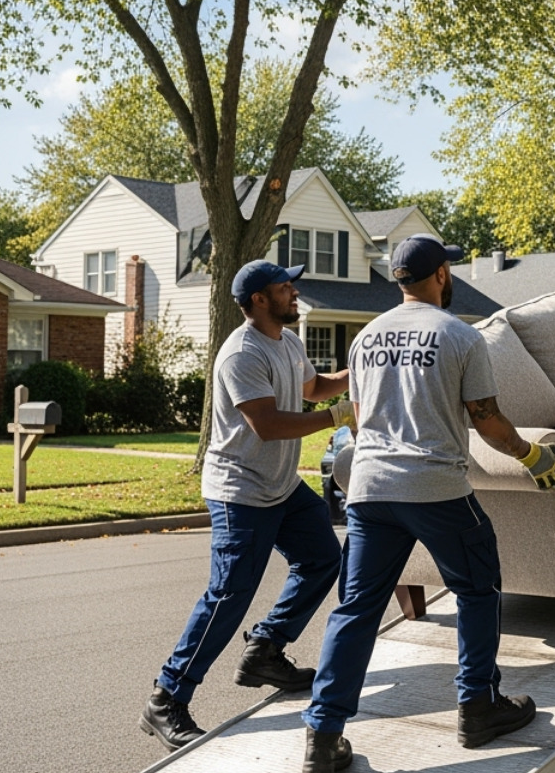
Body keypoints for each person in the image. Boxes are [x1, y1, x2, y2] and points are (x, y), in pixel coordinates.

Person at [299, 234, 555, 772]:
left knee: (355, 610)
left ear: (399, 281)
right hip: (435, 490)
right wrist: (531, 455)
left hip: (370, 491)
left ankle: (322, 738)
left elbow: (359, 414)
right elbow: (487, 421)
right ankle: (478, 706)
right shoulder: (460, 336)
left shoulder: (366, 338)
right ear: (442, 274)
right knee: (477, 587)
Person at [141, 260, 354, 753]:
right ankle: (166, 698)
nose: (294, 291)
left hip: (279, 485)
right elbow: (268, 424)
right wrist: (336, 416)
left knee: (323, 559)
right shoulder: (241, 352)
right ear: (260, 299)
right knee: (228, 594)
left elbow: (310, 388)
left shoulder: (287, 340)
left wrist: (353, 376)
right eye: (285, 286)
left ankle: (264, 650)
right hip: (240, 491)